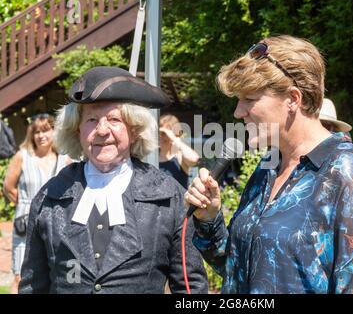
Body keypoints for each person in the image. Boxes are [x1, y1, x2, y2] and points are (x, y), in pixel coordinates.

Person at [185, 35, 353, 294]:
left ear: (293, 98)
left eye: (249, 99)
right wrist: (210, 217)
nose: (238, 112)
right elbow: (237, 268)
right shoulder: (268, 167)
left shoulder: (346, 170)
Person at [18, 66, 208, 294]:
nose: (102, 130)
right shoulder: (50, 197)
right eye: (91, 119)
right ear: (77, 129)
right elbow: (32, 287)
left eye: (114, 119)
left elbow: (190, 289)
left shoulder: (168, 196)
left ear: (134, 129)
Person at [3, 113, 71, 294]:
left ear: (54, 132)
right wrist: (28, 205)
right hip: (25, 225)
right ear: (31, 135)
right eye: (37, 132)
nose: (41, 136)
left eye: (46, 131)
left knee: (55, 272)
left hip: (57, 224)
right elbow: (8, 187)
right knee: (21, 276)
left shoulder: (65, 159)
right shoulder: (22, 156)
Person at [159, 114, 200, 189]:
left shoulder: (179, 156)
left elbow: (194, 159)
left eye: (164, 134)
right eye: (159, 132)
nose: (160, 136)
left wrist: (174, 139)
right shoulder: (151, 156)